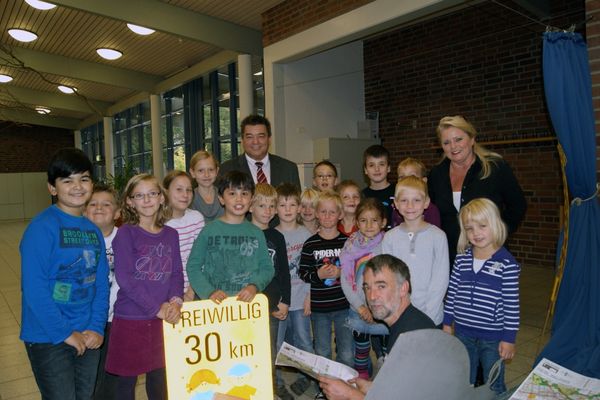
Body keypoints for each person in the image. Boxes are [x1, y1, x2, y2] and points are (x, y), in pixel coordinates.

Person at [20, 148, 109, 400]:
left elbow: (101, 284)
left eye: (84, 178)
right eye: (67, 180)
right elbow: (34, 290)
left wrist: (96, 327)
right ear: (52, 188)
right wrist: (64, 332)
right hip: (49, 336)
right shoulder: (41, 228)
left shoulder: (92, 231)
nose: (77, 186)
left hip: (88, 333)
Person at [105, 173, 183, 400]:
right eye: (139, 195)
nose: (147, 200)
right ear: (129, 202)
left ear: (162, 198)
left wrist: (175, 302)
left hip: (163, 320)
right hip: (131, 319)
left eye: (152, 194)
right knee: (125, 384)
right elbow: (126, 280)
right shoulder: (126, 234)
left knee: (160, 381)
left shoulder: (171, 234)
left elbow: (176, 273)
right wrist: (157, 308)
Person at [318, 254, 435, 400]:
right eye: (367, 287)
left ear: (403, 288)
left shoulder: (413, 337)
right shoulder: (404, 323)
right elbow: (400, 389)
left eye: (381, 286)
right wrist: (372, 387)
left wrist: (349, 395)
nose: (372, 296)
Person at [443, 198, 520, 394]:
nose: (476, 233)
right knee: (464, 378)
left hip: (492, 338)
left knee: (493, 383)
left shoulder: (506, 264)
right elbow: (452, 292)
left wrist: (509, 338)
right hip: (462, 332)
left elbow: (512, 305)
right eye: (469, 228)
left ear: (495, 225)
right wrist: (447, 322)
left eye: (482, 226)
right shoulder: (462, 259)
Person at [428, 115, 527, 266]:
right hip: (448, 257)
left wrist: (498, 234)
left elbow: (518, 205)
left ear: (472, 139)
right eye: (446, 142)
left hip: (488, 254)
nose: (453, 146)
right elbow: (431, 213)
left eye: (458, 139)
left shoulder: (495, 168)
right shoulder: (436, 175)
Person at [186, 171, 274, 303]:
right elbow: (193, 266)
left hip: (247, 307)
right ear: (221, 198)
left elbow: (267, 268)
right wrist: (208, 291)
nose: (239, 199)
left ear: (251, 199)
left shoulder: (257, 233)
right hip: (215, 307)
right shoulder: (209, 231)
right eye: (232, 194)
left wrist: (254, 286)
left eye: (244, 194)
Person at [299, 192, 353, 399]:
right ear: (317, 214)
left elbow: (355, 272)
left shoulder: (348, 242)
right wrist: (318, 274)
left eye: (332, 212)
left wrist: (341, 273)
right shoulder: (310, 244)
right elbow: (303, 272)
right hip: (320, 308)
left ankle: (347, 386)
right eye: (323, 212)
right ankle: (326, 390)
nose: (328, 216)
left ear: (340, 214)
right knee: (322, 352)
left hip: (343, 306)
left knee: (346, 351)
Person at [382, 176, 449, 326]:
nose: (410, 205)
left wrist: (428, 314)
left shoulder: (438, 236)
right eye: (404, 200)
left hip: (431, 314)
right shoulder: (389, 238)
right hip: (399, 313)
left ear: (426, 202)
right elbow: (388, 277)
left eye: (417, 200)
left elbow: (441, 279)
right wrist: (397, 309)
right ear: (396, 204)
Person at [248, 183, 292, 400]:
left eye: (271, 206)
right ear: (250, 207)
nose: (267, 210)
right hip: (246, 307)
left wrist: (285, 301)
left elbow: (284, 272)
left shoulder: (277, 237)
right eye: (261, 205)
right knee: (248, 352)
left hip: (272, 306)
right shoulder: (242, 233)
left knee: (269, 352)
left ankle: (270, 390)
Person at [340, 198, 388, 379]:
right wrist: (360, 306)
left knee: (387, 348)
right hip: (357, 308)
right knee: (360, 351)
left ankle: (387, 378)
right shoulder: (350, 244)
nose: (368, 225)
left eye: (374, 220)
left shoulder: (387, 244)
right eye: (363, 220)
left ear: (383, 222)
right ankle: (362, 381)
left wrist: (377, 308)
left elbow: (390, 280)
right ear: (356, 222)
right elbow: (345, 279)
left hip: (383, 308)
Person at [275, 183, 314, 397]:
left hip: (301, 300)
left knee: (304, 341)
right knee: (277, 343)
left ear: (299, 207)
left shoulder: (306, 235)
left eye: (292, 204)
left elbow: (311, 269)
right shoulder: (272, 235)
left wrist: (310, 295)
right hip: (281, 302)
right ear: (276, 208)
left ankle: (307, 377)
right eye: (282, 204)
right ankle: (277, 381)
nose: (288, 209)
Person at [85, 184, 121, 400]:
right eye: (93, 204)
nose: (99, 208)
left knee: (113, 375)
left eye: (106, 204)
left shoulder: (126, 238)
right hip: (87, 319)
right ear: (84, 210)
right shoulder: (76, 239)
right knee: (90, 375)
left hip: (117, 319)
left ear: (117, 213)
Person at [219, 114, 301, 189]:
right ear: (242, 140)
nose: (255, 142)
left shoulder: (289, 169)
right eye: (250, 137)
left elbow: (296, 203)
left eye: (261, 136)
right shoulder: (226, 169)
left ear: (269, 139)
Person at [163, 170, 205, 301]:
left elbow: (202, 259)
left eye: (189, 190)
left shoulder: (196, 218)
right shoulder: (158, 224)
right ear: (165, 192)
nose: (185, 195)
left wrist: (191, 292)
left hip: (194, 288)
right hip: (165, 292)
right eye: (179, 189)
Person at [392, 157, 441, 228]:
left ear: (424, 181)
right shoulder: (397, 207)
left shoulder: (431, 210)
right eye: (402, 177)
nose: (407, 180)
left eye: (412, 176)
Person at [361, 145, 395, 231]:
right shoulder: (362, 196)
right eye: (371, 165)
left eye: (381, 164)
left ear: (388, 168)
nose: (377, 169)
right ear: (365, 170)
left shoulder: (398, 192)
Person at [189, 150, 224, 223]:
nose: (206, 175)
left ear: (217, 171)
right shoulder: (188, 199)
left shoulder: (226, 196)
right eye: (201, 170)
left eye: (211, 170)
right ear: (192, 173)